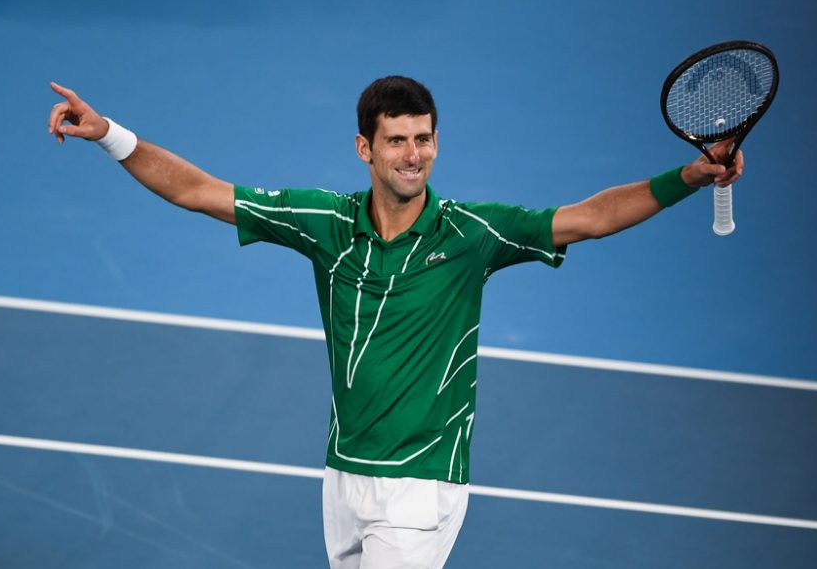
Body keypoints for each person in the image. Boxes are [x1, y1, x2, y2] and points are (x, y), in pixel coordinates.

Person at [47, 76, 742, 568]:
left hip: (421, 481)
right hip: (343, 475)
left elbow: (590, 218)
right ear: (365, 149)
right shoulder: (325, 223)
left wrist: (686, 177)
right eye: (398, 140)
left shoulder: (473, 234)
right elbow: (201, 192)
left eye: (425, 138)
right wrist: (110, 134)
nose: (415, 154)